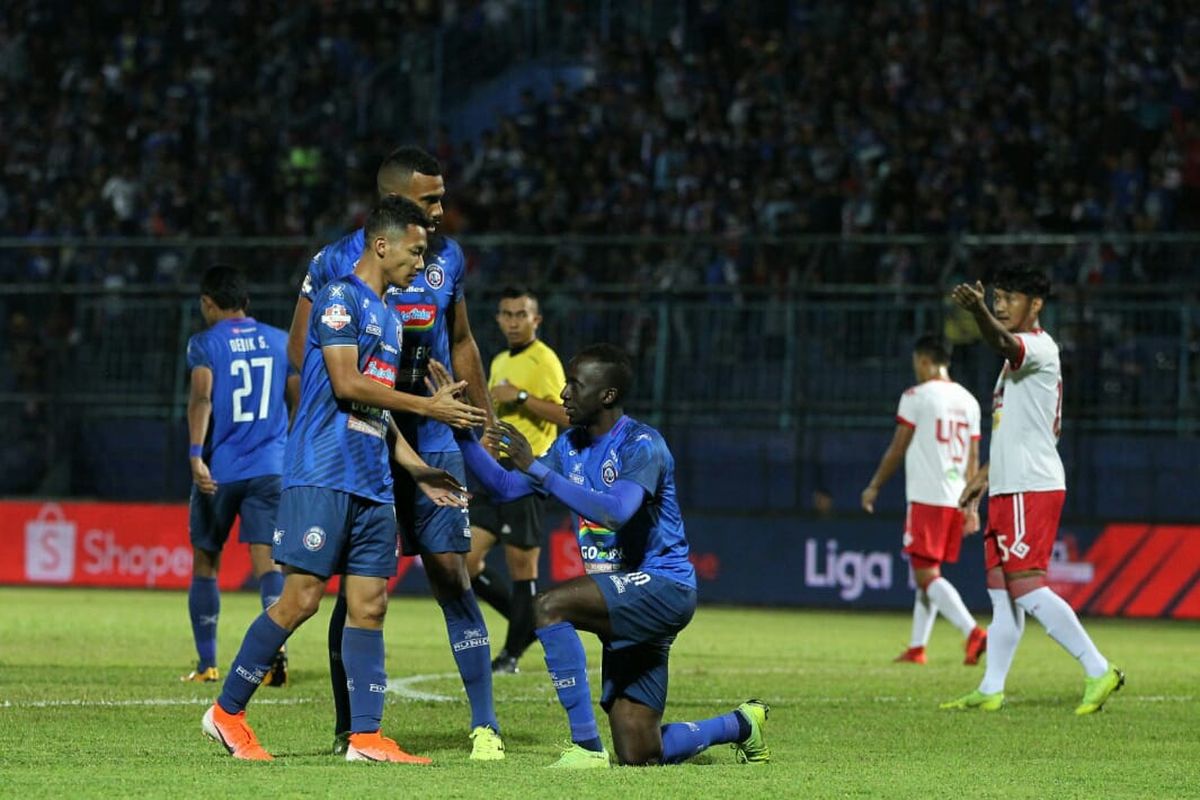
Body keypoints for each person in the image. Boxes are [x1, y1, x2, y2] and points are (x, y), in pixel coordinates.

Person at [202, 197, 469, 762]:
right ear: (382, 244)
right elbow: (347, 384)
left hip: (372, 481)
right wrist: (429, 409)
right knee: (300, 600)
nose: (421, 264)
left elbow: (378, 410)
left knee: (370, 605)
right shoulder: (340, 300)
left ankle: (366, 736)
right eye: (415, 251)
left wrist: (418, 470)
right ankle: (226, 713)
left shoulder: (393, 320)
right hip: (322, 473)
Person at [446, 344, 770, 768]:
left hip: (662, 586)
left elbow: (615, 513)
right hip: (626, 596)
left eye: (575, 385)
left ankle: (585, 747)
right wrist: (460, 432)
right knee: (639, 751)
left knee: (549, 606)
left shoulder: (642, 445)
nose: (563, 394)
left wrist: (536, 468)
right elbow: (505, 487)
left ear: (607, 396)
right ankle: (742, 725)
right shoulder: (570, 447)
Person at [286, 146, 501, 760]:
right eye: (430, 200)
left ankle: (484, 724)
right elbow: (303, 356)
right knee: (357, 584)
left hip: (432, 434)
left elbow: (462, 341)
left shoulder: (447, 259)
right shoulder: (332, 262)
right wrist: (324, 436)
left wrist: (480, 426)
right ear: (395, 201)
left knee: (450, 572)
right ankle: (350, 726)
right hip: (361, 440)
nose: (440, 210)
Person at [943, 267, 1124, 714]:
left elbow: (1004, 341)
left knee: (1026, 589)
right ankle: (991, 688)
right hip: (1007, 487)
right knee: (1003, 598)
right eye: (997, 298)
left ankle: (1098, 668)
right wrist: (981, 480)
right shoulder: (1011, 368)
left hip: (1032, 486)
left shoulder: (1038, 348)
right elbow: (1013, 430)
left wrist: (978, 310)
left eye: (1009, 298)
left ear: (1036, 305)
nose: (1001, 305)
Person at [181, 265, 297, 685]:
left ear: (208, 304)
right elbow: (297, 402)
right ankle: (275, 650)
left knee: (206, 560)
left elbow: (202, 398)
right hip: (271, 468)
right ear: (245, 302)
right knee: (268, 564)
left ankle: (207, 664)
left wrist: (196, 455)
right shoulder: (281, 342)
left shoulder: (205, 343)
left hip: (221, 470)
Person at [861, 334, 987, 666]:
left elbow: (898, 447)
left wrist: (874, 485)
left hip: (927, 496)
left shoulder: (916, 397)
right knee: (928, 572)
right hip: (956, 495)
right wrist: (971, 505)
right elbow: (974, 457)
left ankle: (972, 632)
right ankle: (918, 647)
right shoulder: (970, 401)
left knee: (924, 575)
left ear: (924, 361)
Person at [467, 287, 569, 674]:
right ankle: (527, 623)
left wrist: (521, 395)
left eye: (520, 315)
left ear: (535, 320)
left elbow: (566, 415)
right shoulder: (496, 361)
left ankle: (510, 654)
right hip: (496, 475)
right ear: (498, 319)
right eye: (506, 314)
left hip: (526, 474)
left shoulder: (544, 360)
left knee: (521, 567)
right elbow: (494, 420)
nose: (513, 321)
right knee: (466, 561)